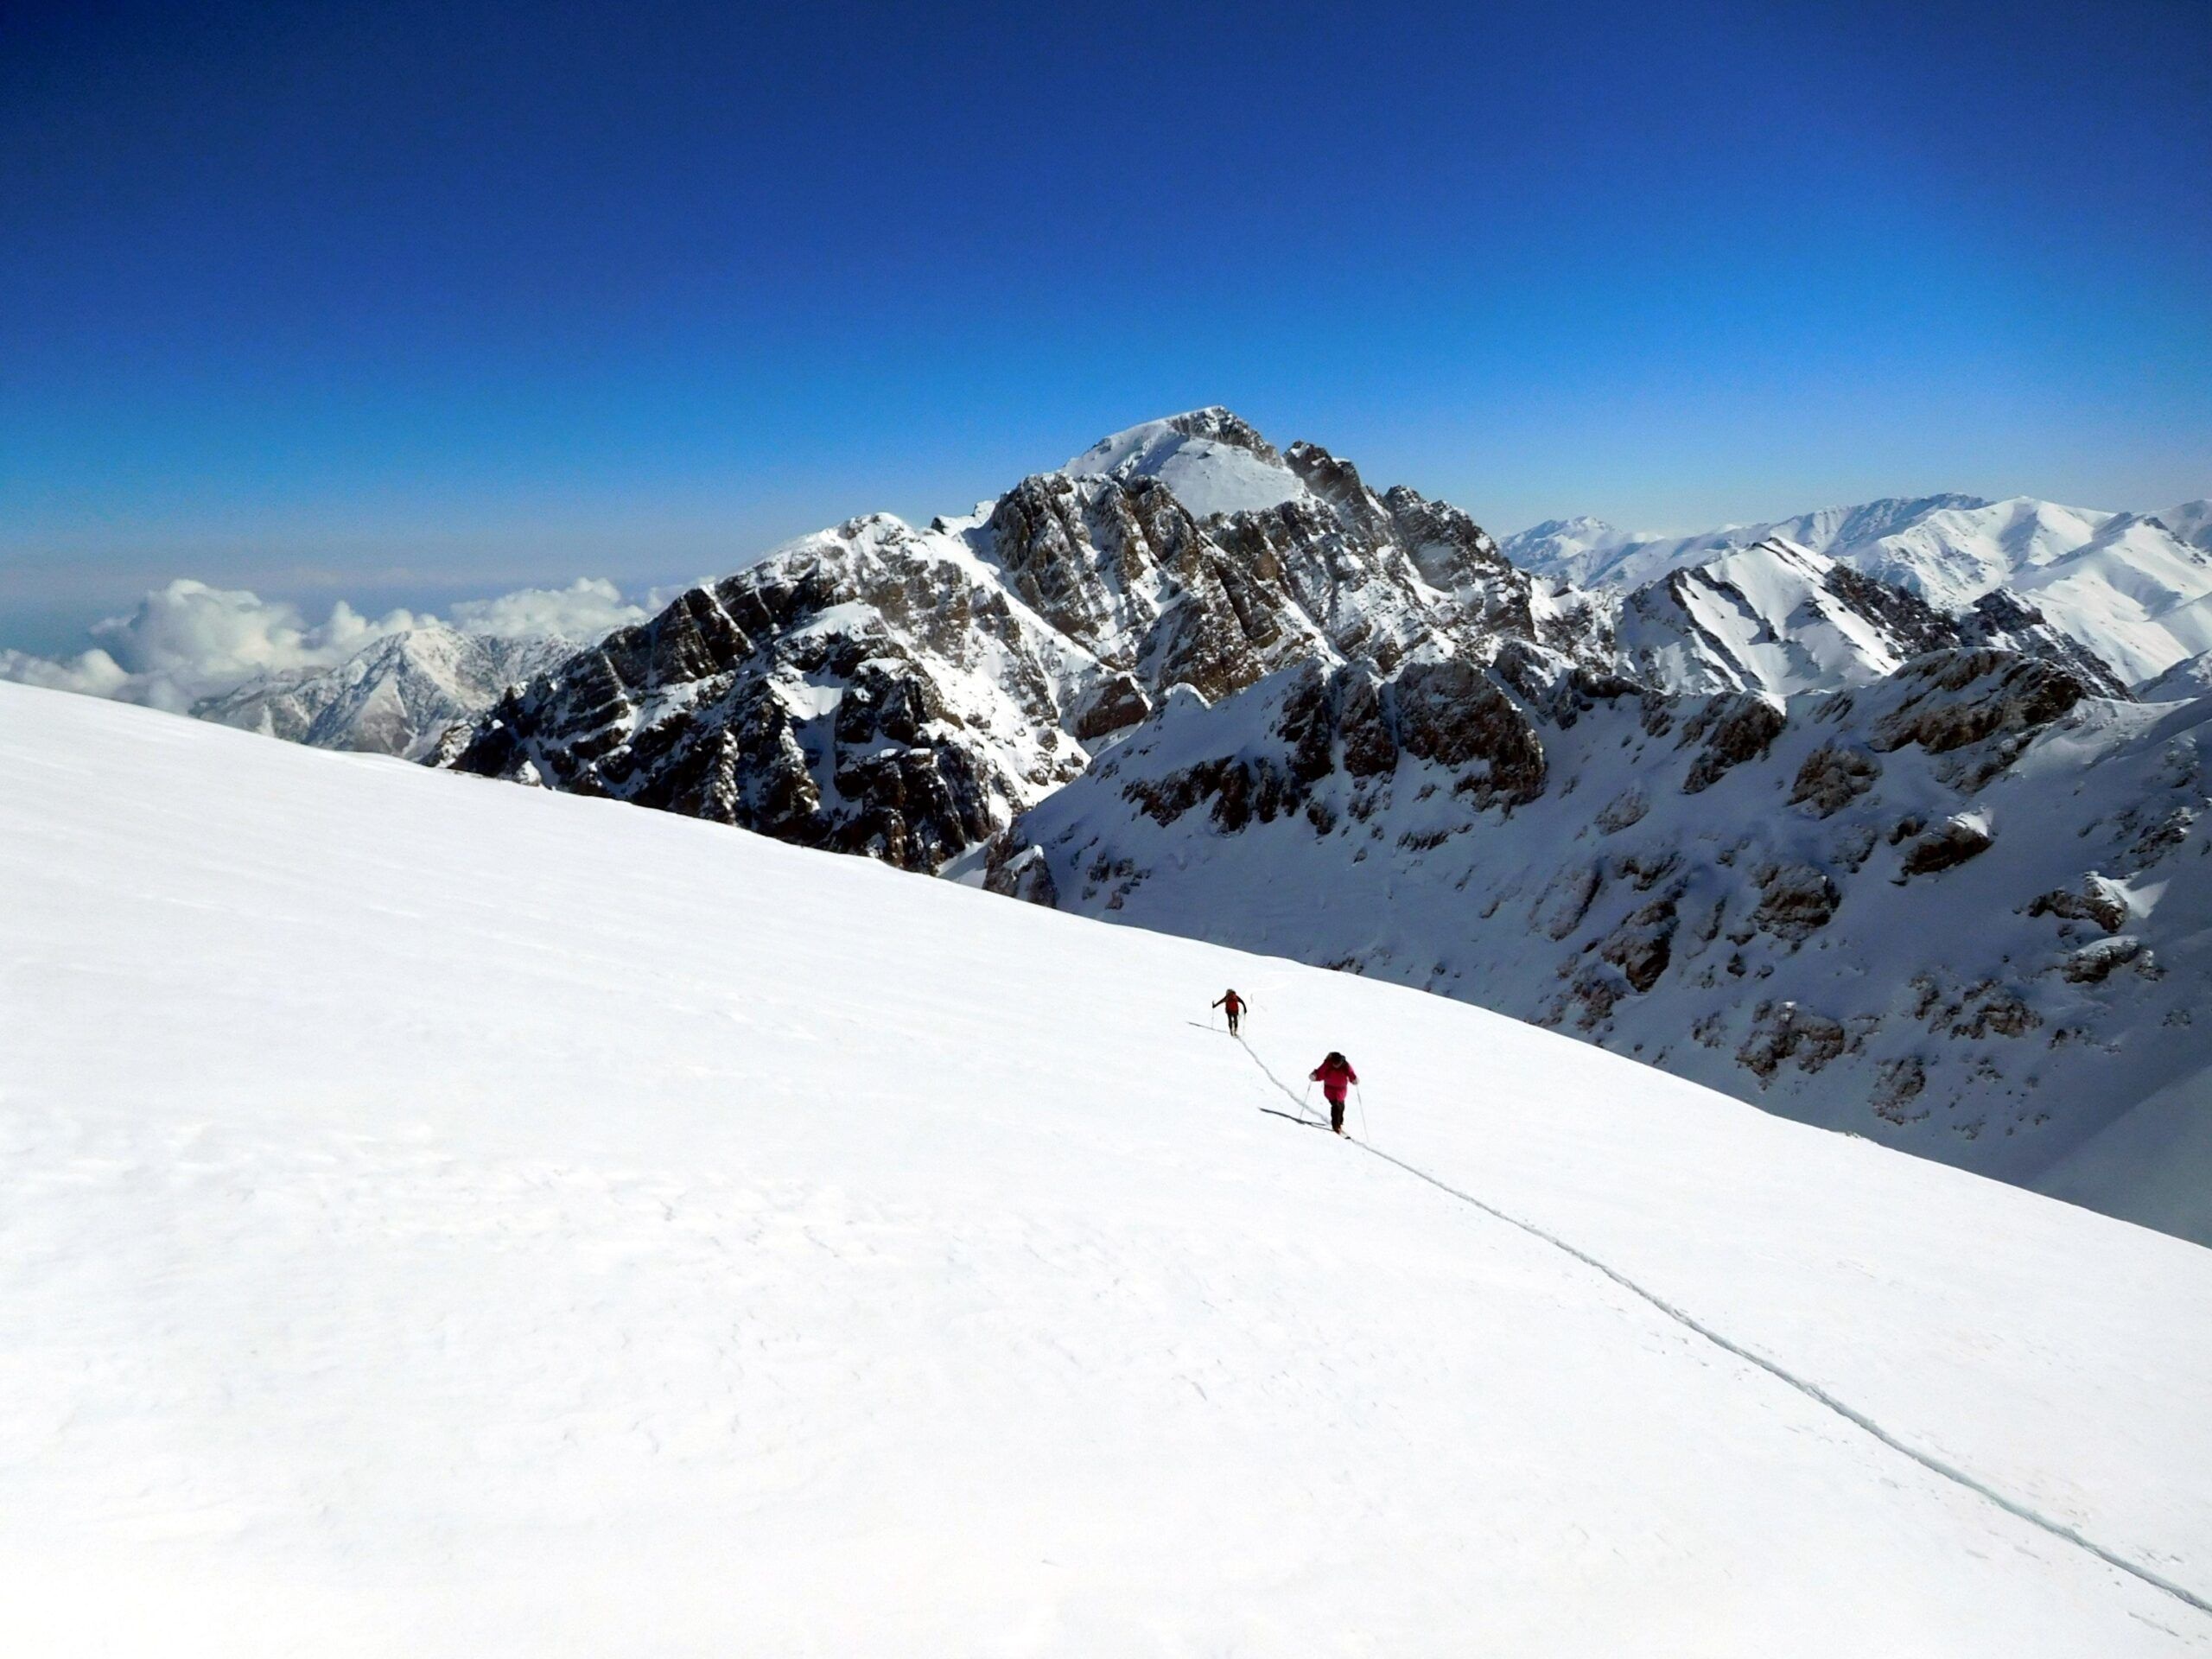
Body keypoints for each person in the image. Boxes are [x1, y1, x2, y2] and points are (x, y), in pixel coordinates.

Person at [1310, 1052, 1357, 1135]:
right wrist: (1314, 1076)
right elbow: (1320, 1073)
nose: (1336, 1065)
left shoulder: (1345, 1065)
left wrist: (1354, 1079)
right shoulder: (1327, 1065)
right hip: (1330, 1090)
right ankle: (1336, 1125)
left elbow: (1351, 1073)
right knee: (1336, 1106)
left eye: (1338, 1063)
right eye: (1335, 1063)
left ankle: (1340, 1121)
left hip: (1341, 1090)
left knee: (1342, 1106)